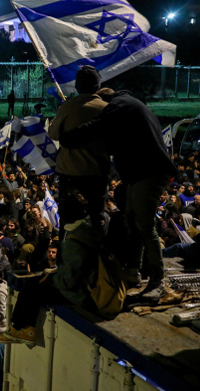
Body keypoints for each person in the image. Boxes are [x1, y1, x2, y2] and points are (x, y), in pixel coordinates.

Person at [60, 88, 177, 298]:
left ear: (106, 103)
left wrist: (69, 138)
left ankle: (157, 280)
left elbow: (94, 127)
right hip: (142, 173)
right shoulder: (129, 106)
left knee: (144, 224)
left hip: (149, 173)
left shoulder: (119, 105)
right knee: (132, 222)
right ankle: (133, 272)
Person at [48, 65, 110, 242]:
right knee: (96, 220)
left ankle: (66, 263)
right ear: (98, 85)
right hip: (98, 176)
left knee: (68, 223)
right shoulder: (107, 108)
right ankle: (97, 263)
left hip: (71, 176)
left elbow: (53, 134)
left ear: (77, 86)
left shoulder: (68, 108)